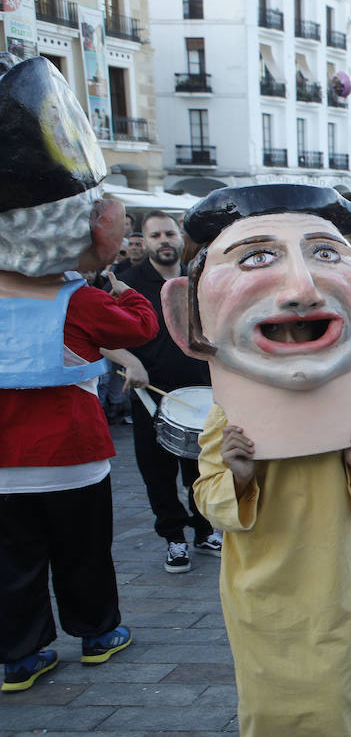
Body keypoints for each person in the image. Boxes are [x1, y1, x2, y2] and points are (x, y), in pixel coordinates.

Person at [163, 183, 351, 737]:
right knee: (265, 694)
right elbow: (211, 502)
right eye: (258, 259)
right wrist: (236, 472)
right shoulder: (224, 420)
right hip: (257, 580)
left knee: (328, 686)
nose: (299, 293)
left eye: (324, 254)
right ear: (189, 318)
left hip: (330, 575)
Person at [1, 55, 159, 692]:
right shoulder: (80, 301)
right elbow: (142, 322)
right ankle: (97, 632)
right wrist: (106, 276)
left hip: (4, 463)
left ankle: (20, 655)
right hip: (72, 453)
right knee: (83, 551)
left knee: (12, 563)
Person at [103, 210, 219, 573]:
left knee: (202, 468)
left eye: (169, 233)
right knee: (158, 472)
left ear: (180, 236)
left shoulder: (200, 278)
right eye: (155, 236)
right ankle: (173, 538)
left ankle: (204, 529)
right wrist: (130, 362)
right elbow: (100, 335)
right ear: (144, 241)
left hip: (203, 391)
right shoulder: (128, 282)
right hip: (151, 394)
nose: (164, 241)